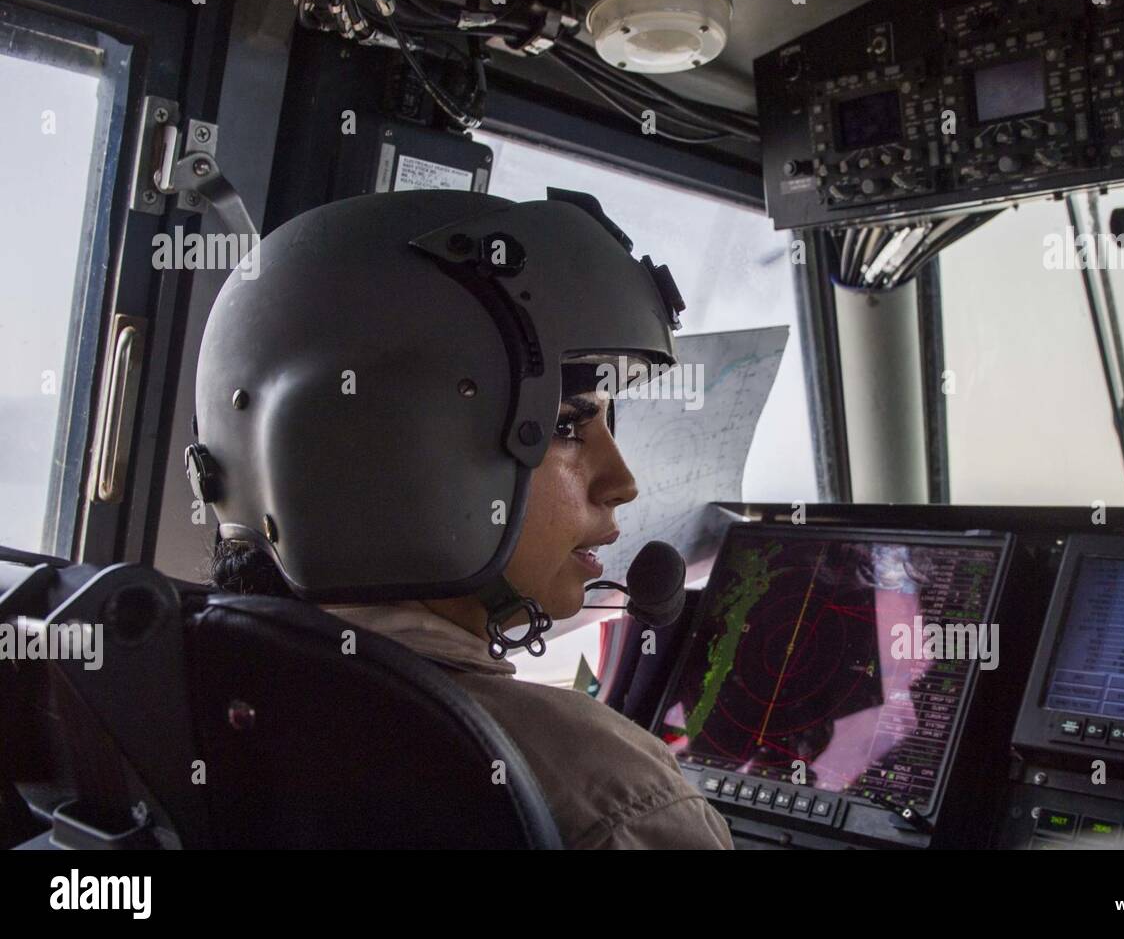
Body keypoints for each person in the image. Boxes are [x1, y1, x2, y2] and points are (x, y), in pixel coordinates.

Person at [191, 186, 732, 850]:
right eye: (566, 425)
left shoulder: (182, 692)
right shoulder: (615, 799)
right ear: (406, 450)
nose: (621, 483)